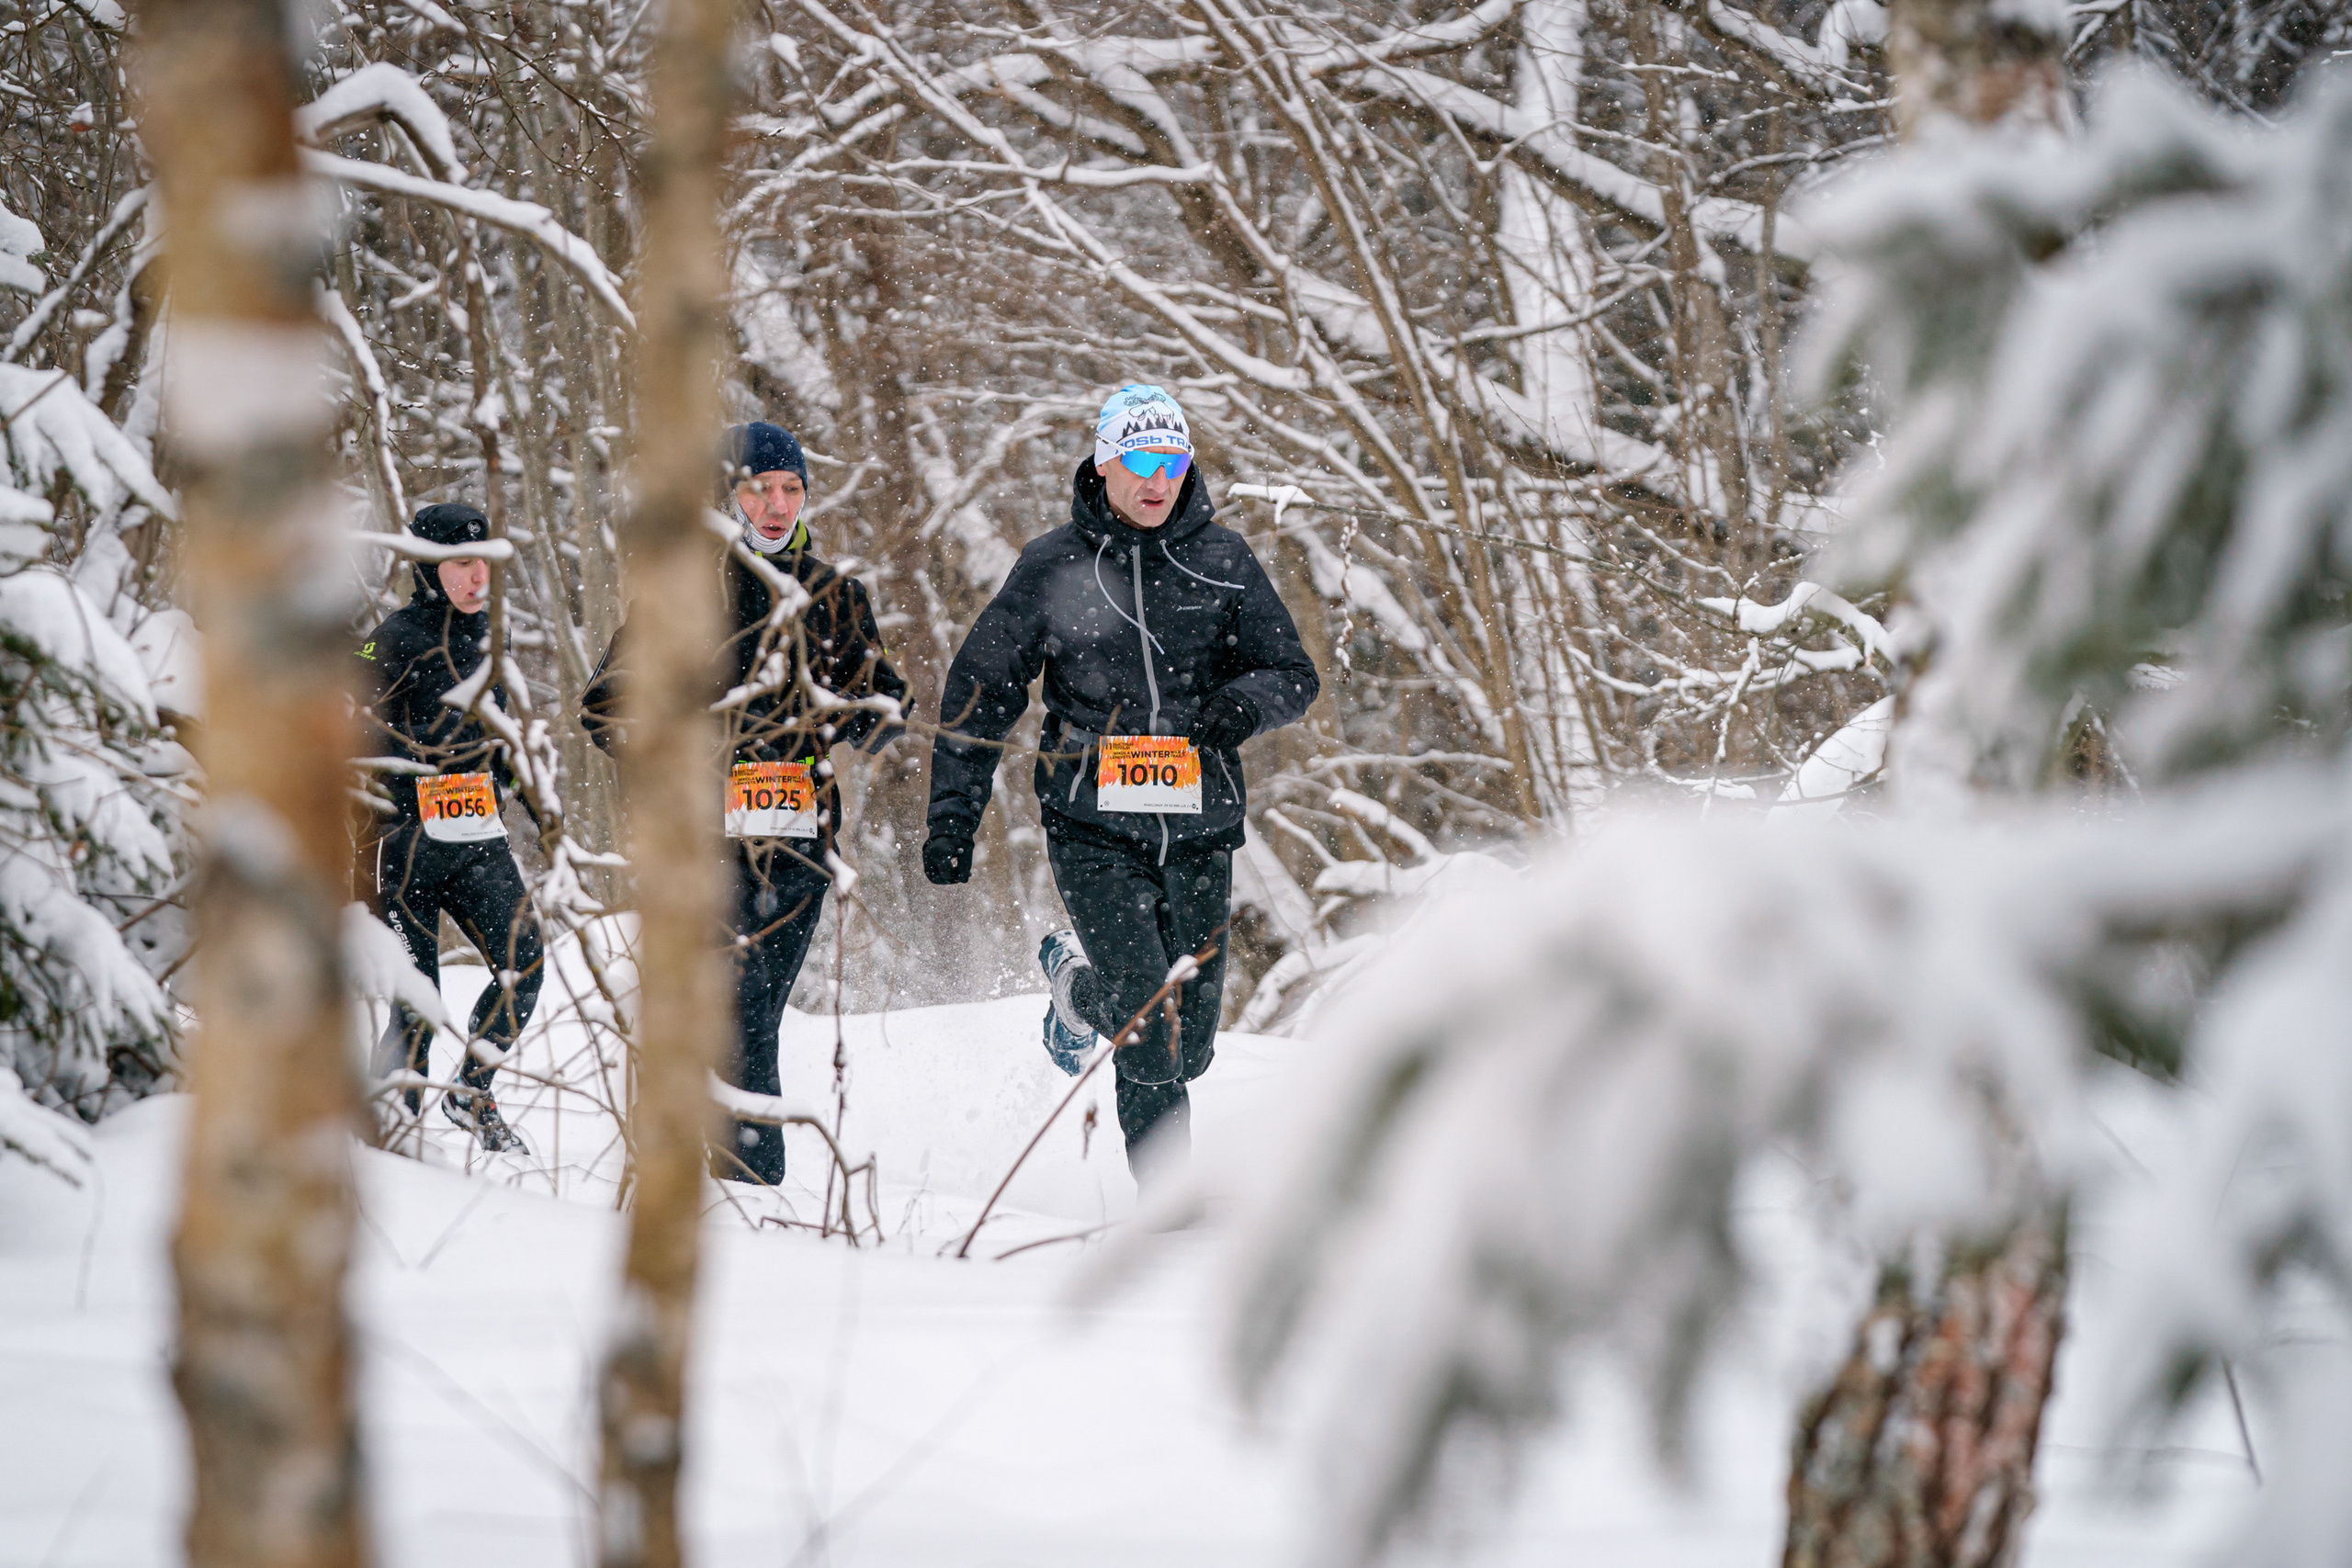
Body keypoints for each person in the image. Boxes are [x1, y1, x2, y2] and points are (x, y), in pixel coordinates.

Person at [922, 385, 1318, 1189]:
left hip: (1201, 827)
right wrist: (953, 817)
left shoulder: (1223, 560)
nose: (1156, 479)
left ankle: (1076, 988)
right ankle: (1167, 1217)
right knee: (1149, 1028)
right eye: (1138, 460)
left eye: (1171, 461)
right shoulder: (1053, 565)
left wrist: (1244, 703)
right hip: (1092, 825)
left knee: (1193, 1046)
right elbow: (980, 691)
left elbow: (1294, 673)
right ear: (1104, 463)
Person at [582, 421, 907, 1185]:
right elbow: (604, 707)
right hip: (700, 841)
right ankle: (733, 1181)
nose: (775, 503)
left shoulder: (833, 594)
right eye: (758, 487)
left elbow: (889, 706)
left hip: (796, 842)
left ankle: (740, 1185)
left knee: (750, 1011)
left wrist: (849, 712)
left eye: (790, 488)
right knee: (729, 1011)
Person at [356, 501, 543, 1154]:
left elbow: (497, 732)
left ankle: (473, 1092)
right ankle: (391, 1135)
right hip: (404, 845)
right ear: (431, 567)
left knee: (527, 961)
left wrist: (535, 800)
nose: (475, 578)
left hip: (477, 837)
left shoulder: (495, 635)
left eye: (483, 563)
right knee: (418, 1002)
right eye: (461, 564)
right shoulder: (395, 637)